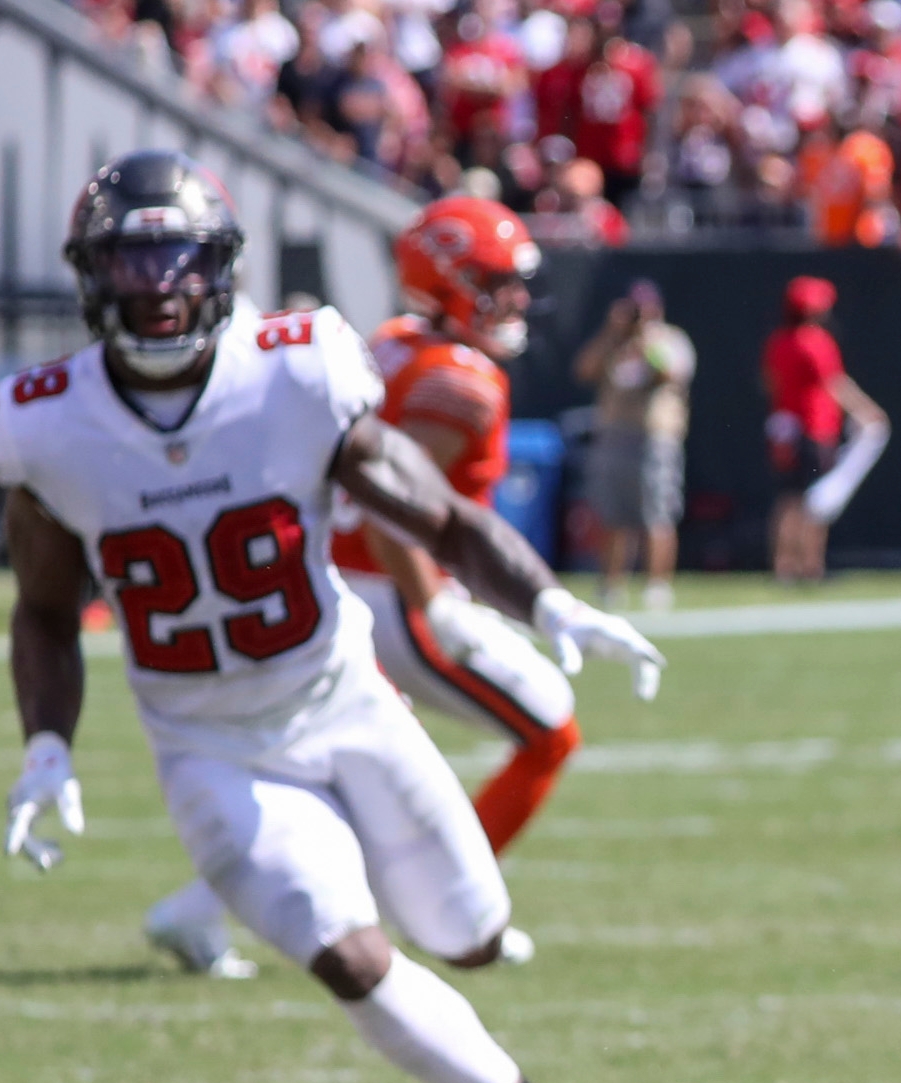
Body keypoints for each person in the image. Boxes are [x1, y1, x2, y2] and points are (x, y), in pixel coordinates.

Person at [0, 152, 662, 1083]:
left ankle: (361, 889)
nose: (156, 284)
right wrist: (47, 745)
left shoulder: (296, 371)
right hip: (209, 746)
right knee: (350, 958)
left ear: (218, 270)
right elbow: (42, 607)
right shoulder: (45, 425)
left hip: (348, 699)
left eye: (177, 258)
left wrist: (547, 605)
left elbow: (436, 514)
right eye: (131, 260)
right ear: (90, 275)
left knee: (469, 934)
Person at [141, 196, 611, 980]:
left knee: (342, 778)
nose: (519, 299)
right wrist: (434, 607)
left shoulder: (387, 344)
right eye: (499, 282)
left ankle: (196, 911)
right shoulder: (459, 380)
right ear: (453, 282)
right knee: (547, 734)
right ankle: (455, 903)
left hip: (338, 581)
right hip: (393, 594)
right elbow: (401, 513)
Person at [574, 281, 695, 612]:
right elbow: (583, 369)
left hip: (654, 437)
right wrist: (610, 333)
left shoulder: (670, 340)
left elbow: (669, 372)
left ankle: (657, 585)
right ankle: (611, 583)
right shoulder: (614, 343)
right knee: (613, 514)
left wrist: (645, 340)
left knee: (657, 512)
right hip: (614, 435)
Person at [764, 275, 883, 585]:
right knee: (816, 500)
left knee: (788, 499)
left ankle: (783, 565)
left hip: (784, 432)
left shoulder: (779, 341)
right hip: (814, 429)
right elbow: (836, 384)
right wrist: (866, 410)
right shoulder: (816, 342)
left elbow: (770, 383)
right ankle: (810, 566)